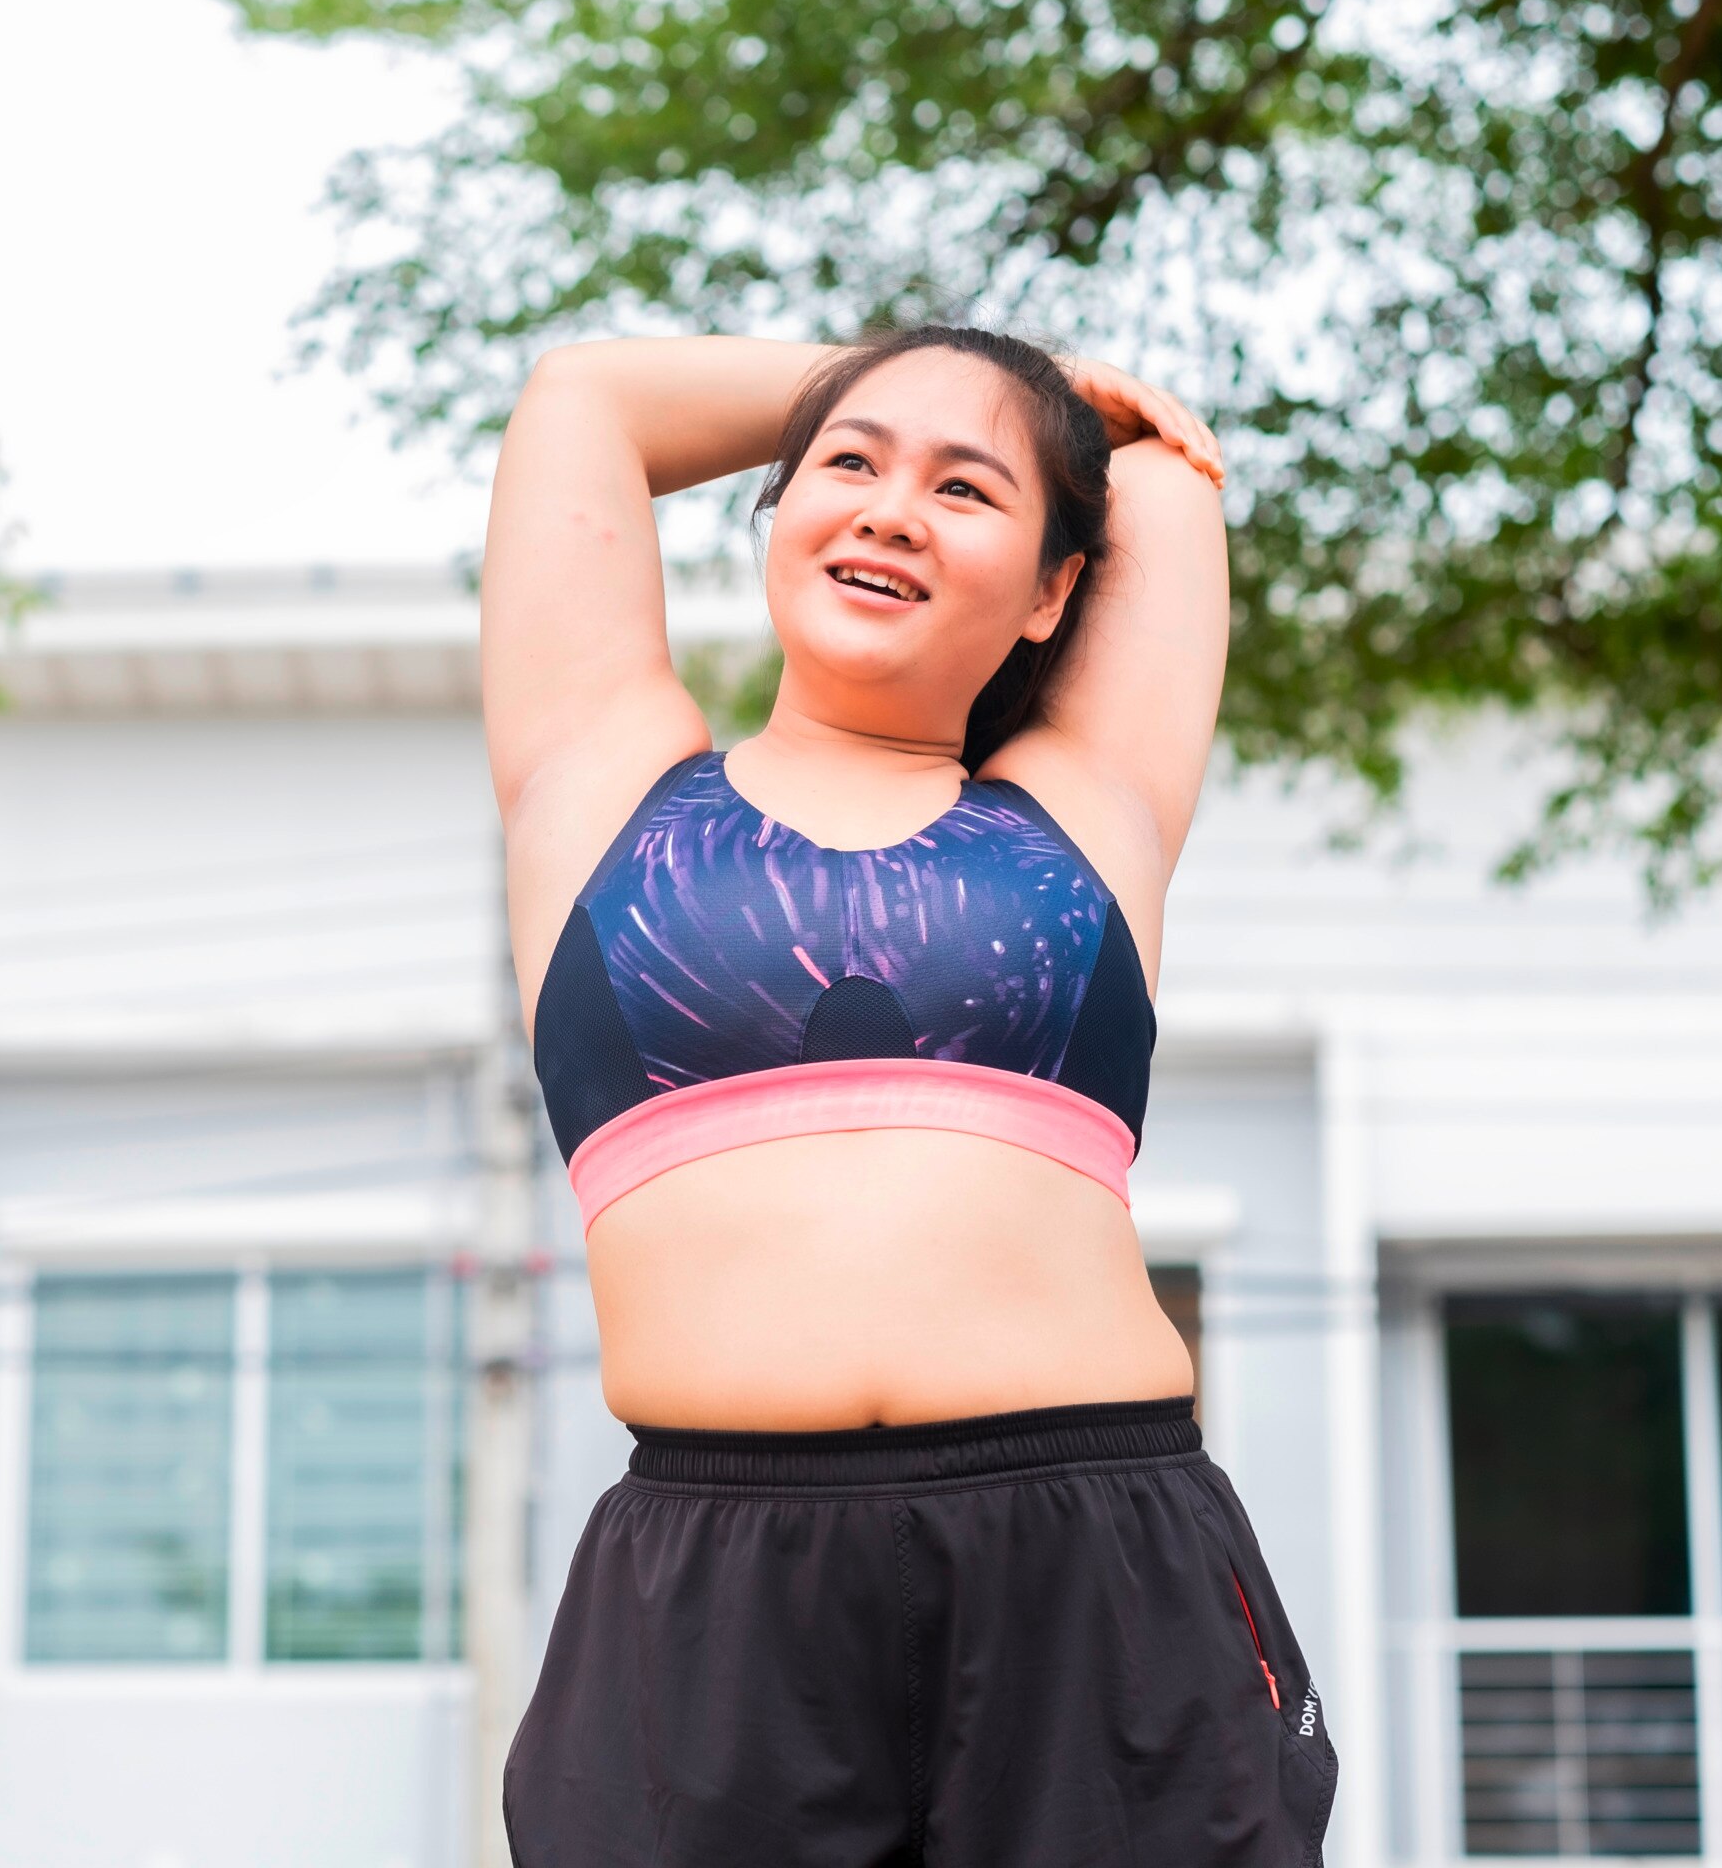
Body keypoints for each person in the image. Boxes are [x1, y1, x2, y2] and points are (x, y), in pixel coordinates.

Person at [489, 328, 1335, 1866]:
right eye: (852, 463)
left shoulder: (1091, 804)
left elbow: (1163, 477)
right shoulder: (596, 782)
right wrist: (947, 367)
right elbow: (586, 397)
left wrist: (1051, 408)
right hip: (712, 1580)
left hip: (1095, 1549)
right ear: (779, 506)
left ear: (1052, 591)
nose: (891, 508)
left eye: (966, 488)